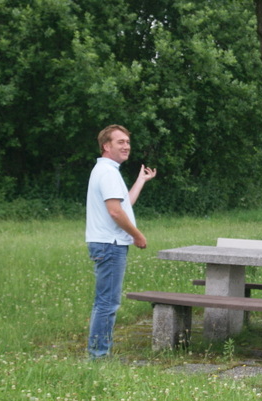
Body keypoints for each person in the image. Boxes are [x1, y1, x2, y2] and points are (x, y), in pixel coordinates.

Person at [85, 124, 157, 359]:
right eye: (120, 142)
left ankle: (99, 353)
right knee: (107, 304)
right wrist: (137, 235)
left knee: (105, 302)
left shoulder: (106, 170)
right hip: (110, 244)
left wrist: (141, 180)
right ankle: (99, 356)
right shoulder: (107, 172)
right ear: (106, 146)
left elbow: (123, 205)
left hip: (107, 243)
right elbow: (115, 212)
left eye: (127, 142)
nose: (126, 146)